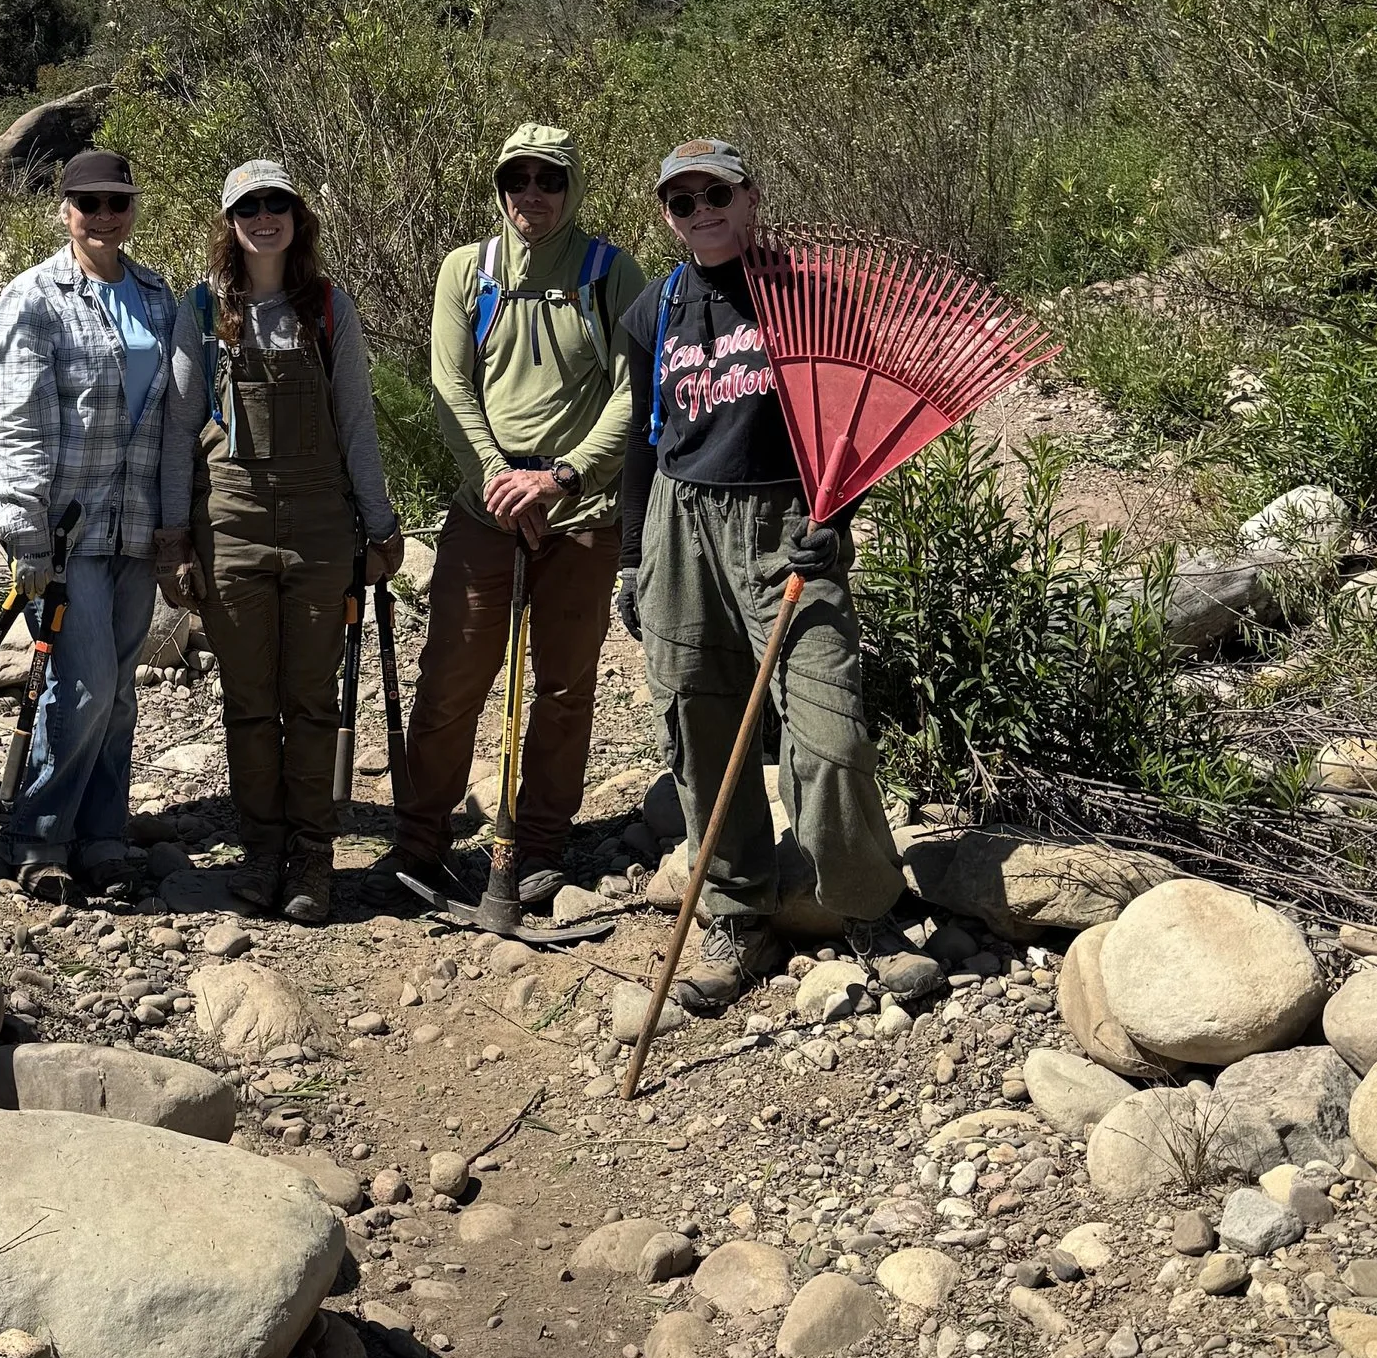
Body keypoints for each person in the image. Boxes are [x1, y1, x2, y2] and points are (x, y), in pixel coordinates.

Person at [615, 135, 903, 1012]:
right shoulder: (653, 309)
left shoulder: (811, 296)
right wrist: (632, 558)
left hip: (786, 520)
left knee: (828, 725)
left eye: (716, 194)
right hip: (680, 519)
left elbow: (868, 417)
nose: (701, 213)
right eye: (682, 202)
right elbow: (641, 436)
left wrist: (838, 521)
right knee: (697, 721)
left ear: (752, 196)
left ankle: (867, 911)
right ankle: (740, 912)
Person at [387, 124, 645, 904]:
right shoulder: (468, 271)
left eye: (550, 179)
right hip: (486, 507)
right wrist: (501, 479)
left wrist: (561, 478)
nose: (533, 194)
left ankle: (535, 845)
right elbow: (450, 386)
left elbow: (636, 392)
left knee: (565, 685)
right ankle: (421, 840)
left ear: (572, 187)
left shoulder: (610, 272)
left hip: (579, 510)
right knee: (452, 677)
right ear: (499, 186)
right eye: (518, 179)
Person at [155, 159, 404, 926]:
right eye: (248, 206)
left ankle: (314, 862)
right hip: (226, 520)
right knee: (249, 701)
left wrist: (382, 523)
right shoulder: (199, 310)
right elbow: (175, 430)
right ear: (229, 221)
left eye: (277, 203)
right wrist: (173, 538)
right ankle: (261, 853)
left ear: (298, 216)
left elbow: (357, 424)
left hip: (320, 522)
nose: (264, 216)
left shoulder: (329, 307)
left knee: (311, 699)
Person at [0, 148, 185, 902]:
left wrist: (174, 528)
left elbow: (170, 421)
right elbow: (18, 423)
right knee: (83, 687)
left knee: (120, 690)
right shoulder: (33, 297)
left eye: (118, 201)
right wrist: (23, 531)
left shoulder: (157, 296)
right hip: (64, 533)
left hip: (135, 527)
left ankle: (103, 834)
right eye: (89, 202)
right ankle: (40, 834)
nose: (105, 216)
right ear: (64, 208)